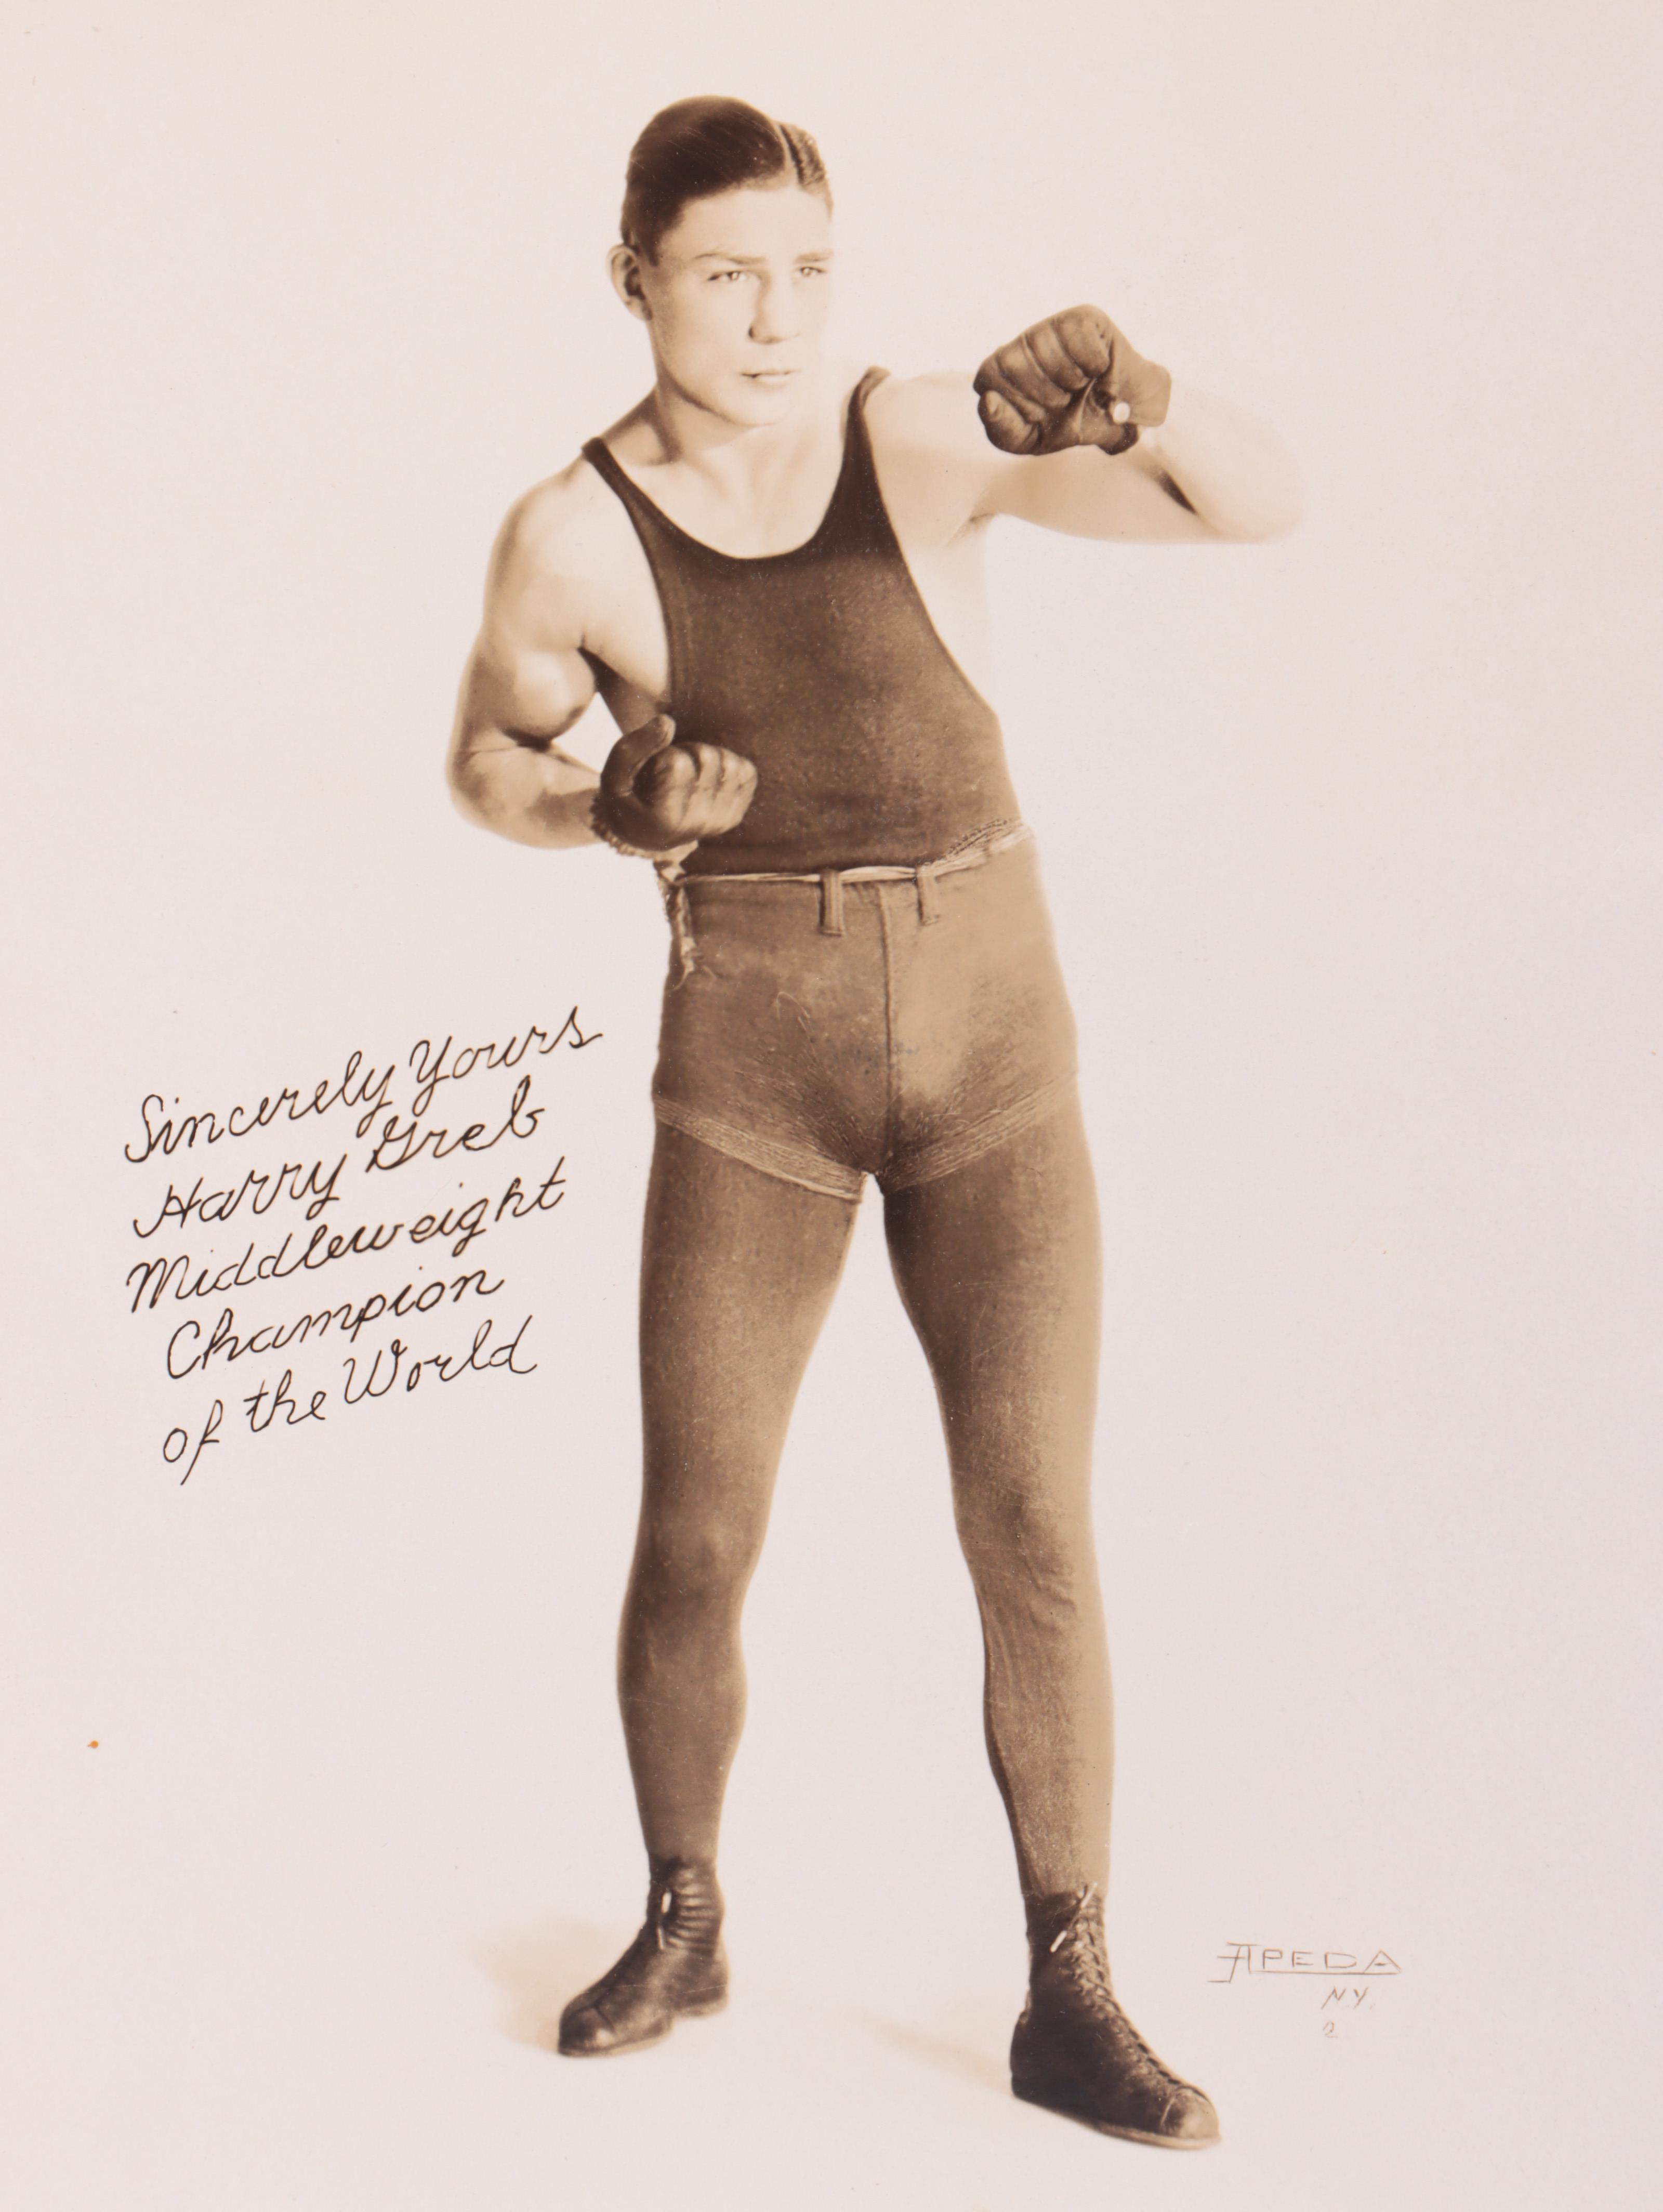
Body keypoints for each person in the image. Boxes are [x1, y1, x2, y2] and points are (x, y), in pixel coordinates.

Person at [447, 95, 1299, 2150]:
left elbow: (1249, 506)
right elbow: (485, 749)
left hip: (995, 1056)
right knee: (700, 1525)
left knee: (1031, 1527)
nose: (774, 317)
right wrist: (597, 810)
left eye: (807, 271)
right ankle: (684, 1909)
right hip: (751, 1064)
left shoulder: (913, 440)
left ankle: (1069, 1979)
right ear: (632, 275)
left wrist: (1141, 388)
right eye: (727, 272)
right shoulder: (570, 532)